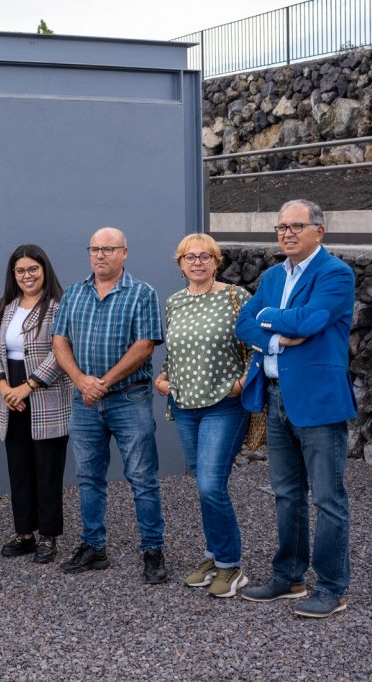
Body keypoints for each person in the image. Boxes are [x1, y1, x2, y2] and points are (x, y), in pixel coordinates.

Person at [236, 199, 355, 618]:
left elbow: (309, 323)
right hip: (274, 395)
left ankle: (332, 587)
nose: (286, 233)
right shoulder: (271, 276)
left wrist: (269, 318)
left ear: (319, 231)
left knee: (327, 498)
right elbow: (243, 323)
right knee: (287, 495)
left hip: (318, 401)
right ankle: (289, 576)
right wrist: (274, 332)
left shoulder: (335, 274)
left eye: (296, 226)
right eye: (281, 227)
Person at [52, 227, 168, 584]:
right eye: (95, 249)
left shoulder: (141, 293)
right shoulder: (74, 293)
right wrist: (81, 380)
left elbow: (145, 345)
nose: (100, 255)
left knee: (142, 478)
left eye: (108, 249)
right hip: (84, 399)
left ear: (124, 253)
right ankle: (93, 546)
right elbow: (59, 341)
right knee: (88, 477)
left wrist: (103, 382)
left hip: (128, 399)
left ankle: (153, 550)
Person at [155, 233, 250, 597]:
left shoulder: (234, 297)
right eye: (190, 257)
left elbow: (256, 346)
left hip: (223, 405)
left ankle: (231, 566)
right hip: (185, 405)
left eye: (205, 256)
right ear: (180, 264)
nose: (197, 262)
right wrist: (164, 378)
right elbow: (178, 350)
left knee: (211, 484)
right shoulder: (175, 302)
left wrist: (241, 383)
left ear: (216, 261)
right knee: (204, 483)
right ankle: (213, 556)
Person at [0, 244, 71, 564]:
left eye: (33, 269)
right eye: (20, 271)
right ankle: (24, 532)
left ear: (44, 269)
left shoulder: (58, 307)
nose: (27, 276)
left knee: (47, 468)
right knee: (19, 466)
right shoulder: (4, 307)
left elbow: (61, 353)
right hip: (10, 395)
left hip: (45, 392)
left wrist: (28, 386)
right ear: (13, 275)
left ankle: (48, 534)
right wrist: (6, 387)